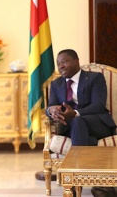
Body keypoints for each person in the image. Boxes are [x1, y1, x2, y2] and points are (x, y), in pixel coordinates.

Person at [46, 49, 116, 197]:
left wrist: (76, 113)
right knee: (80, 129)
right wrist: (52, 110)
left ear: (76, 61)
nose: (61, 66)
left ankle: (73, 183)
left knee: (78, 121)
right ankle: (101, 185)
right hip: (71, 128)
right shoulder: (56, 84)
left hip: (97, 123)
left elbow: (98, 105)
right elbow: (50, 107)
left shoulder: (94, 78)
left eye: (64, 61)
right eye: (58, 64)